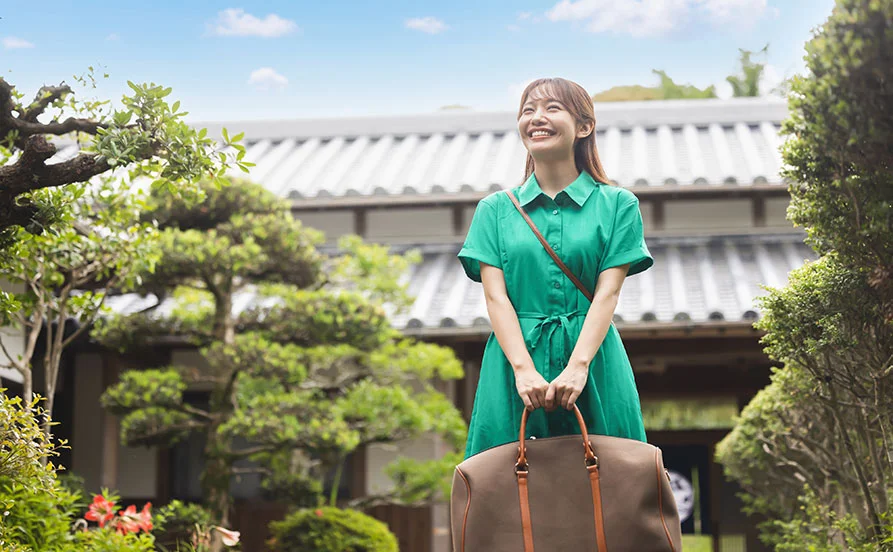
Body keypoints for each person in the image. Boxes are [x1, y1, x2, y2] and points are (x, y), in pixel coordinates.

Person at [457, 77, 653, 460]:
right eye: (528, 110)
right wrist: (523, 370)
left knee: (615, 477)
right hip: (513, 361)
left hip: (594, 358)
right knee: (505, 479)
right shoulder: (494, 210)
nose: (536, 118)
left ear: (584, 126)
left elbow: (607, 293)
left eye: (551, 108)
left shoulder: (618, 205)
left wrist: (579, 366)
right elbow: (496, 298)